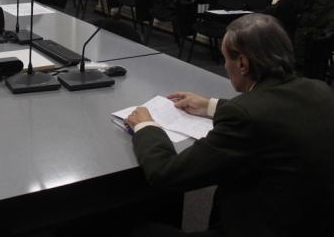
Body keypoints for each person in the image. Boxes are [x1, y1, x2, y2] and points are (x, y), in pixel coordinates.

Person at [125, 13, 334, 237]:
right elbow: (275, 112)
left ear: (242, 63)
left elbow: (166, 174)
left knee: (135, 230)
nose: (225, 66)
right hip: (311, 224)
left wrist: (146, 127)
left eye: (226, 59)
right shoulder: (320, 90)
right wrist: (209, 106)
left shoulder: (244, 117)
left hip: (259, 227)